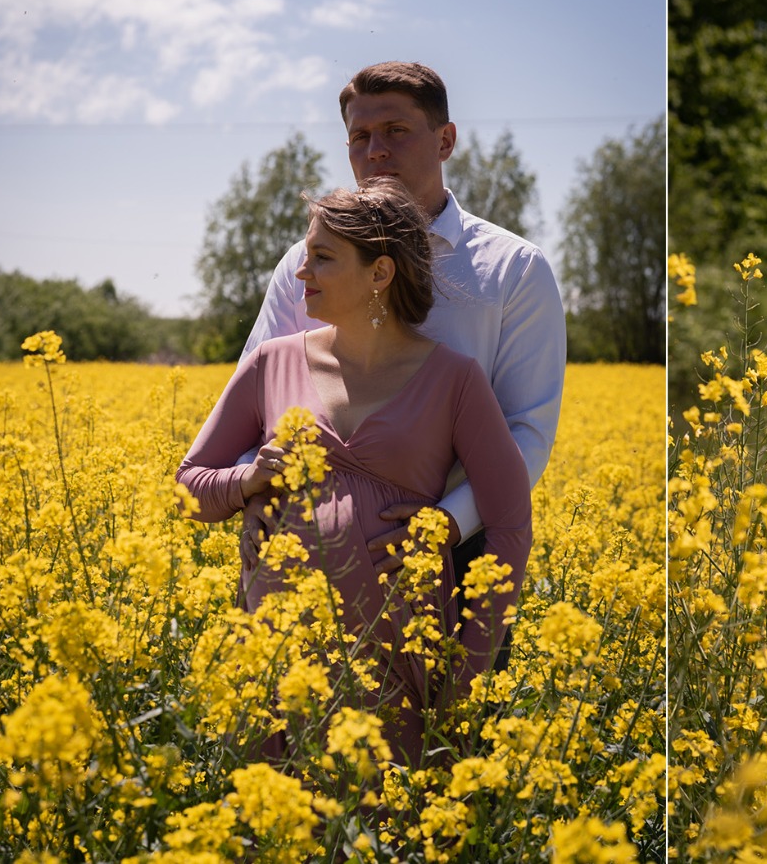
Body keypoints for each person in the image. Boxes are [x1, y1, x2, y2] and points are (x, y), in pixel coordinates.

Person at [178, 179, 533, 762]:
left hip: (396, 656)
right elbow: (188, 484)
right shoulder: (270, 363)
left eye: (322, 257)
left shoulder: (456, 380)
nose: (301, 272)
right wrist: (247, 481)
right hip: (275, 654)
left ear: (380, 273)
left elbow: (511, 525)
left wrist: (467, 679)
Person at [241, 61, 563, 618]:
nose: (376, 151)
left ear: (445, 141)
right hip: (301, 550)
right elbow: (255, 400)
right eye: (360, 137)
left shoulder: (513, 270)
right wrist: (254, 491)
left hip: (458, 553)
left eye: (396, 131)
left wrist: (447, 524)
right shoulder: (302, 264)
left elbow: (526, 430)